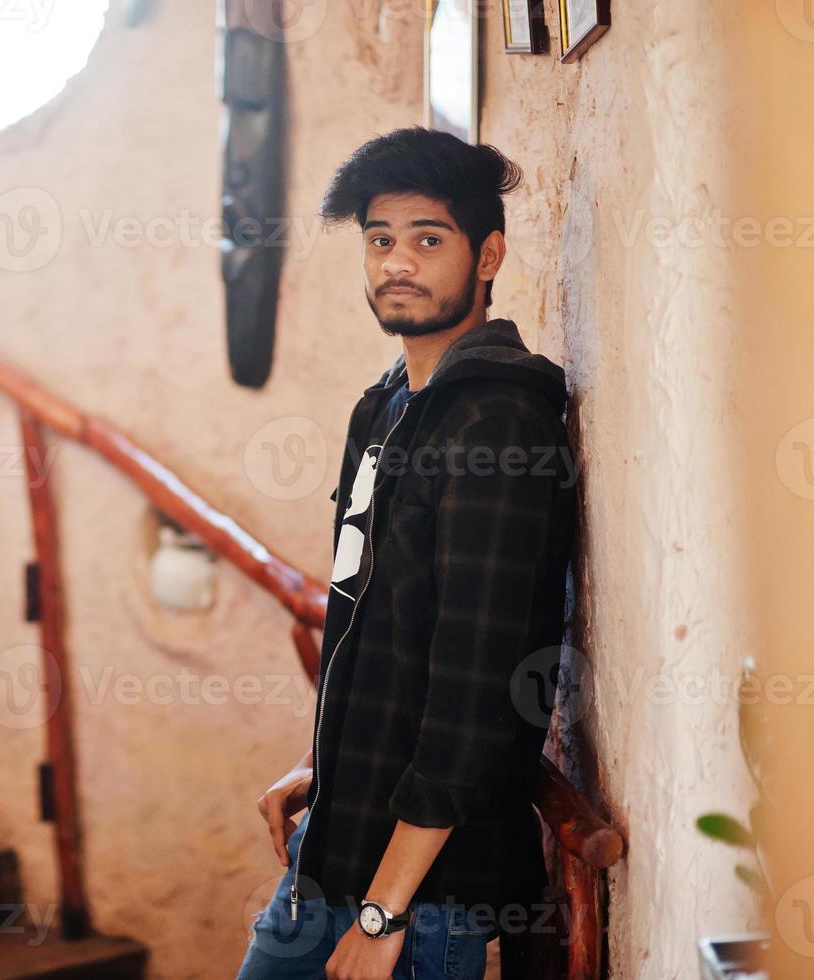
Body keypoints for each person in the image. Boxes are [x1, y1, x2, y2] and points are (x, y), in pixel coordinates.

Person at [237, 127, 579, 980]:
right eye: (379, 240)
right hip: (334, 845)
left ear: (487, 254)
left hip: (423, 893)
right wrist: (325, 766)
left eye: (428, 240)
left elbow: (473, 688)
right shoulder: (385, 407)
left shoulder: (497, 423)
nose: (397, 263)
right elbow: (373, 624)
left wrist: (385, 910)